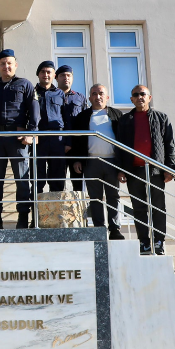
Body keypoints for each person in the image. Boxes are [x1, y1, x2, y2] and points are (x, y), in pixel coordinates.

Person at [0, 49, 40, 229]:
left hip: (18, 138)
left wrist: (31, 133)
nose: (6, 66)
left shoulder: (25, 85)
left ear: (15, 65)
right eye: (2, 63)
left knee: (22, 180)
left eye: (9, 63)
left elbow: (34, 111)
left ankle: (22, 218)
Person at [116, 85, 175, 255]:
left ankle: (158, 241)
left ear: (149, 97)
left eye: (143, 94)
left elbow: (169, 144)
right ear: (131, 99)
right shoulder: (125, 120)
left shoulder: (161, 118)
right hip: (133, 170)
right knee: (139, 208)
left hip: (155, 171)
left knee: (157, 207)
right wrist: (121, 170)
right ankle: (144, 242)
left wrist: (169, 168)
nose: (140, 97)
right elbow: (119, 146)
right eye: (136, 94)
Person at [71, 84, 125, 240]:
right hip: (91, 162)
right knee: (95, 197)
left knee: (113, 196)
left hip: (112, 161)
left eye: (101, 93)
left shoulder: (116, 115)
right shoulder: (82, 117)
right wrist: (77, 160)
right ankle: (99, 229)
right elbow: (77, 140)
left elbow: (124, 140)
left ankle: (115, 229)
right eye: (94, 94)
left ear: (107, 97)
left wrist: (122, 166)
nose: (98, 96)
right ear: (89, 98)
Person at [35, 60, 68, 193]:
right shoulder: (32, 92)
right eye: (42, 72)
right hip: (39, 139)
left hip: (57, 139)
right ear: (38, 74)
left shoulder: (60, 94)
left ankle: (56, 211)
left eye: (49, 72)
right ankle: (37, 212)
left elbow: (66, 119)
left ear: (54, 75)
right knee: (37, 178)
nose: (46, 75)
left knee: (58, 178)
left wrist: (68, 141)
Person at [56, 65, 89, 190]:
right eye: (62, 75)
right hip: (58, 144)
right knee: (58, 182)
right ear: (57, 78)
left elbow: (85, 120)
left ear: (72, 78)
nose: (66, 78)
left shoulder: (80, 97)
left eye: (68, 75)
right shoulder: (51, 96)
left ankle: (80, 209)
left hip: (76, 145)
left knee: (78, 182)